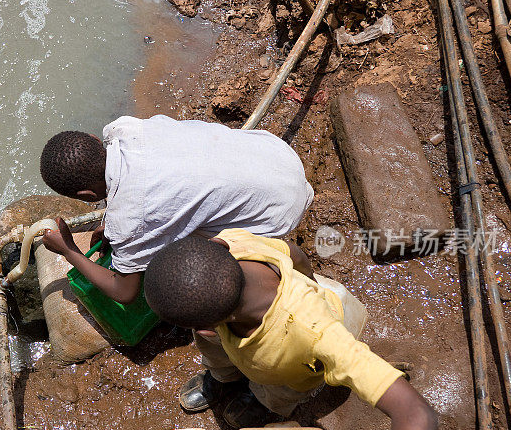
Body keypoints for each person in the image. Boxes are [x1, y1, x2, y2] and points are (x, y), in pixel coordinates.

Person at [143, 229, 438, 430]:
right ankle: (221, 377)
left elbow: (417, 416)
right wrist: (307, 277)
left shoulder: (317, 334)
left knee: (278, 390)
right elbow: (292, 252)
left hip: (294, 362)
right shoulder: (232, 244)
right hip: (232, 329)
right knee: (219, 354)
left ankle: (261, 402)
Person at [39, 114, 314, 304]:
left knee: (182, 254)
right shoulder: (124, 128)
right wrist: (112, 227)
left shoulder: (130, 219)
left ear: (86, 195)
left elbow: (124, 292)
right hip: (278, 157)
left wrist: (69, 250)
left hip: (280, 213)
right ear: (94, 139)